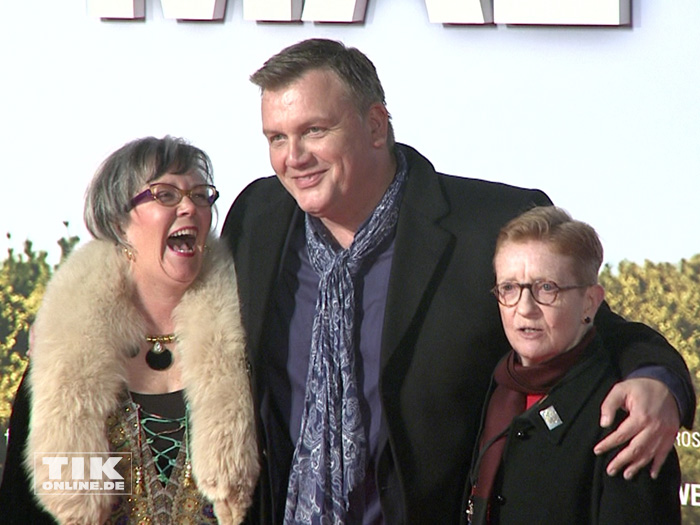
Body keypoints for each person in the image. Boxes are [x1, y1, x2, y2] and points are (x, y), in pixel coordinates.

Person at [221, 38, 694, 524]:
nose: (292, 157)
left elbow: (601, 328)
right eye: (276, 138)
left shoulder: (488, 227)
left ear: (376, 126)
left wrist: (658, 383)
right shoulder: (256, 218)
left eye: (314, 131)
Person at [0, 136, 259, 524]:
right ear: (119, 220)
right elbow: (32, 509)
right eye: (166, 195)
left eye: (201, 195)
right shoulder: (67, 364)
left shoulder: (249, 340)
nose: (190, 207)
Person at [466, 206, 681, 524]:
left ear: (590, 302)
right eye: (509, 288)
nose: (524, 309)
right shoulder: (491, 387)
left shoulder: (627, 419)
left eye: (546, 288)